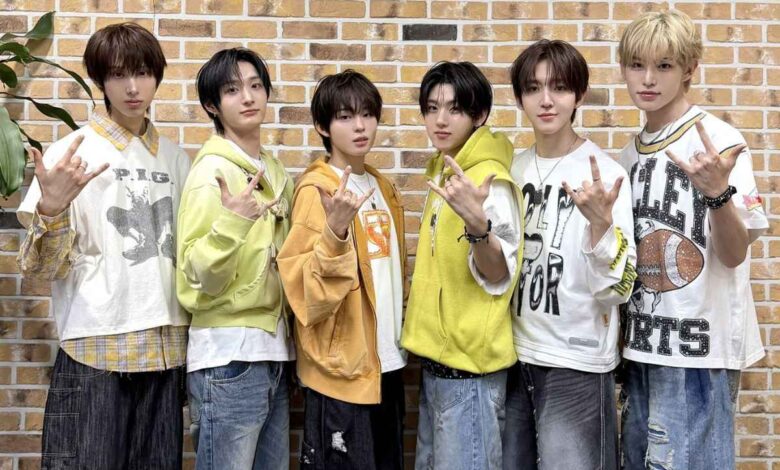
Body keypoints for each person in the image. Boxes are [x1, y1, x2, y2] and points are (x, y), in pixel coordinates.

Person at [16, 22, 191, 469]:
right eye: (117, 74)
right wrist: (51, 209)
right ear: (99, 80)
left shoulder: (176, 158)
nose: (132, 87)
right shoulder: (71, 153)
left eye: (143, 73)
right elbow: (41, 270)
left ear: (157, 76)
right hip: (94, 347)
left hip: (166, 348)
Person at [617, 10, 769, 469]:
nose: (648, 78)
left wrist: (718, 195)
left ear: (689, 69)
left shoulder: (720, 141)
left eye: (664, 65)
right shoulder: (626, 156)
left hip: (699, 352)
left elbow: (734, 253)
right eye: (637, 65)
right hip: (641, 347)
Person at [501, 39, 636, 470]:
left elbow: (619, 289)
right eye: (533, 88)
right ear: (519, 97)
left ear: (579, 94)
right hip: (512, 357)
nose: (546, 100)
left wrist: (601, 226)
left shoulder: (606, 175)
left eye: (558, 87)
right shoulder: (512, 170)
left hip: (577, 363)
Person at [277, 70, 407, 470]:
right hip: (341, 374)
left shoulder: (383, 188)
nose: (360, 126)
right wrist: (334, 232)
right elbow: (306, 294)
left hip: (386, 365)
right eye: (346, 116)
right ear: (322, 126)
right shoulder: (318, 191)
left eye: (367, 114)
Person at [401, 61, 523, 470]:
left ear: (480, 115)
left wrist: (478, 226)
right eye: (432, 108)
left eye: (455, 109)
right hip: (438, 368)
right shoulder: (446, 172)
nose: (440, 120)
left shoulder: (488, 180)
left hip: (471, 377)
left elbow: (498, 273)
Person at [176, 48, 293, 470]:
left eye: (256, 86)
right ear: (212, 105)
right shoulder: (210, 174)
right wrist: (233, 222)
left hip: (274, 353)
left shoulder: (275, 173)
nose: (248, 97)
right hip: (227, 357)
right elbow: (199, 275)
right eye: (232, 90)